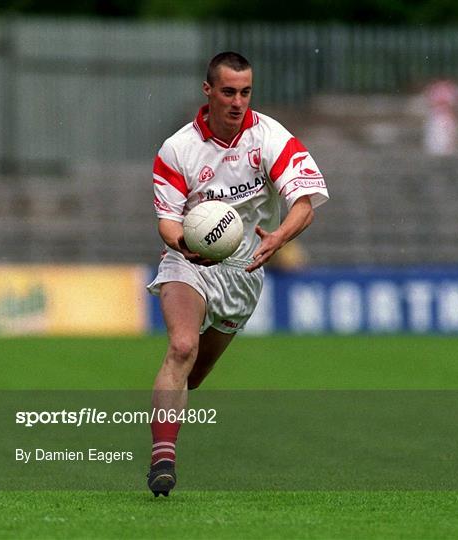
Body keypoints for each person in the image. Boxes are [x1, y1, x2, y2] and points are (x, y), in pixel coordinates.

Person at [146, 51, 328, 496]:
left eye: (245, 92)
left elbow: (304, 202)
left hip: (245, 272)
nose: (237, 101)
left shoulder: (270, 137)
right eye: (228, 91)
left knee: (192, 376)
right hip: (188, 262)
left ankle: (164, 418)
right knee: (182, 345)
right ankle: (162, 461)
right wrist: (186, 245)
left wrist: (278, 238)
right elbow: (168, 222)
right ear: (208, 91)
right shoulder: (177, 148)